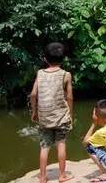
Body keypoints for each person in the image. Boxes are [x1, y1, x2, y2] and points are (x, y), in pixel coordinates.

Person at [30, 42, 74, 183]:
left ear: (45, 59)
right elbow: (70, 98)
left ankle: (42, 177)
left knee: (44, 146)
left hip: (44, 118)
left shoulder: (40, 73)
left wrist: (34, 112)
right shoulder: (66, 75)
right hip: (61, 118)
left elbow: (33, 94)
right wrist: (70, 115)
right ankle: (62, 176)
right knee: (61, 144)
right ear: (63, 59)